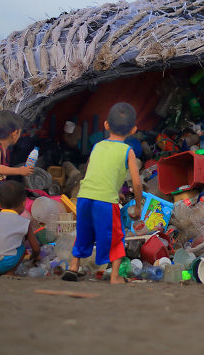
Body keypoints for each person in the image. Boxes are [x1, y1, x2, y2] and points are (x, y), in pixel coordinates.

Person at [63, 102, 143, 284]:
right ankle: (115, 276)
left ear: (106, 125)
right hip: (105, 202)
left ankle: (73, 267)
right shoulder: (128, 151)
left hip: (84, 197)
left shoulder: (97, 146)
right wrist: (137, 206)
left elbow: (94, 171)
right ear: (133, 130)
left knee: (83, 233)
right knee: (115, 236)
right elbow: (137, 184)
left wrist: (115, 191)